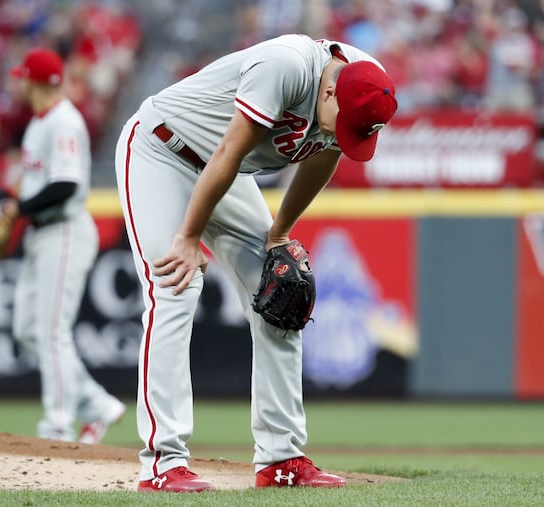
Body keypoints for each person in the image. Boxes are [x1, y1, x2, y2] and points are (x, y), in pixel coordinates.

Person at [114, 34, 397, 492]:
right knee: (175, 288)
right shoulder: (285, 66)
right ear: (329, 92)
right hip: (162, 149)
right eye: (340, 124)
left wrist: (279, 234)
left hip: (227, 171)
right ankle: (163, 462)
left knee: (281, 294)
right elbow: (229, 150)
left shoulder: (363, 86)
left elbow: (323, 158)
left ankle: (280, 459)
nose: (341, 136)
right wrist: (188, 237)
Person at [0, 47, 125, 444]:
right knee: (26, 330)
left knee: (52, 331)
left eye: (22, 76)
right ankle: (97, 405)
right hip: (43, 233)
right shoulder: (39, 124)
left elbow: (65, 184)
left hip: (64, 230)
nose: (17, 82)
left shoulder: (64, 122)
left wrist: (17, 209)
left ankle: (57, 422)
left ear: (35, 82)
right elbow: (28, 182)